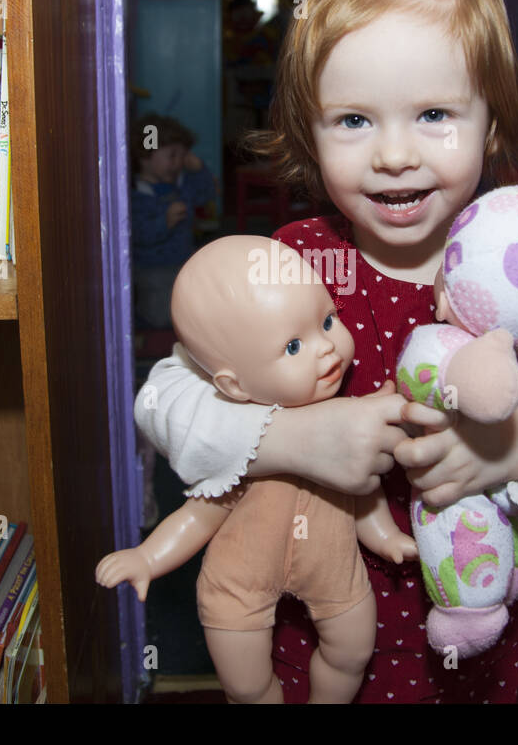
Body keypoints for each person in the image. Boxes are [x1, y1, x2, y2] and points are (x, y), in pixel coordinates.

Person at [132, 0, 518, 703]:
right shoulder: (292, 260)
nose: (395, 154)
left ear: (493, 122)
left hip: (474, 631)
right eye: (353, 120)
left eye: (435, 114)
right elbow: (163, 402)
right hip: (315, 622)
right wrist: (292, 437)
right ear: (310, 132)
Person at [98, 236, 416, 702]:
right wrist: (147, 557)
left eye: (328, 320)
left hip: (334, 569)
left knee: (350, 649)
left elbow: (365, 488)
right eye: (292, 347)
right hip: (240, 577)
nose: (327, 349)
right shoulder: (240, 447)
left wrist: (386, 538)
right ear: (234, 386)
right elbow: (197, 515)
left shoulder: (349, 418)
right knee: (244, 681)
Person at [129, 114, 215, 330]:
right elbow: (137, 235)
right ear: (145, 156)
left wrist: (198, 169)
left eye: (182, 155)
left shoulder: (180, 185)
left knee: (194, 304)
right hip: (152, 270)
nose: (179, 163)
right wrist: (163, 222)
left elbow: (206, 194)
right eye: (172, 155)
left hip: (183, 261)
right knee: (160, 315)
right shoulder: (137, 195)